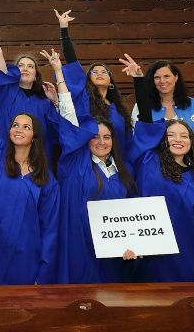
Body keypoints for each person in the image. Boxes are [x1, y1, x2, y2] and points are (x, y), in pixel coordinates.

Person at [122, 54, 194, 282]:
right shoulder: (149, 165)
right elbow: (143, 131)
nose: (176, 139)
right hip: (151, 263)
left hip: (187, 258)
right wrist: (138, 80)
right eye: (170, 134)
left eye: (183, 135)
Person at [0, 68, 60, 286]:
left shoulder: (46, 180)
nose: (19, 129)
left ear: (35, 136)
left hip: (27, 263)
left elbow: (50, 229)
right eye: (15, 125)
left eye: (26, 127)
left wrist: (43, 274)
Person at [55, 95, 140, 284]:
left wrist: (135, 244)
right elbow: (69, 126)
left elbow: (134, 213)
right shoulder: (75, 166)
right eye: (95, 137)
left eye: (107, 137)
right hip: (82, 246)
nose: (101, 142)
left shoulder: (125, 170)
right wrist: (60, 77)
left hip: (116, 251)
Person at [0, 5, 62, 165]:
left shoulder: (44, 102)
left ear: (36, 74)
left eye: (30, 66)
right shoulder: (6, 92)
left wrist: (56, 102)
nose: (25, 68)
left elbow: (58, 133)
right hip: (6, 159)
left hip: (37, 163)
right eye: (21, 65)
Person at [55, 9, 134, 163]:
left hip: (115, 164)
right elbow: (72, 62)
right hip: (86, 163)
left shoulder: (119, 110)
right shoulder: (82, 97)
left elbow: (127, 142)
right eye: (93, 71)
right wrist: (64, 31)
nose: (99, 73)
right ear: (87, 80)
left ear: (111, 82)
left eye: (104, 72)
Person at [132, 60, 194, 176]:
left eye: (167, 76)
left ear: (176, 77)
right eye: (157, 77)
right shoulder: (142, 107)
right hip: (154, 174)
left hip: (191, 174)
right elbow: (136, 140)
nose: (162, 81)